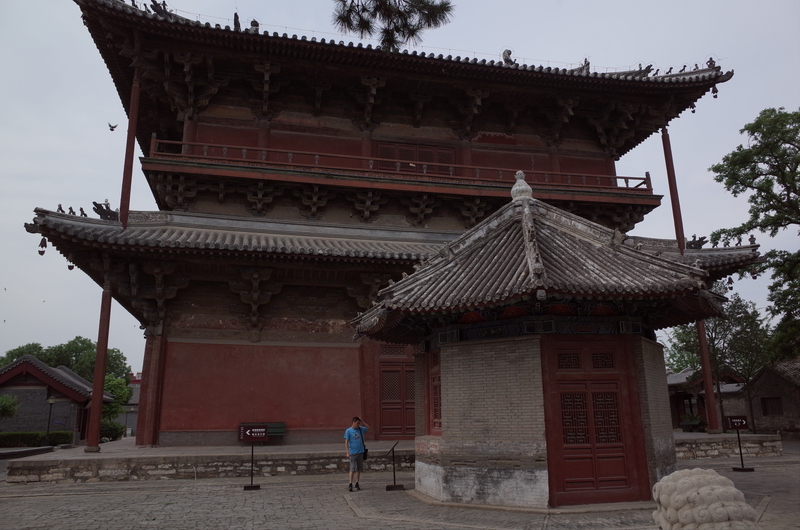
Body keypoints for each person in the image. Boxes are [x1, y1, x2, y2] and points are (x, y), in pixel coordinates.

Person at [344, 416, 369, 491]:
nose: (358, 425)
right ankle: (350, 483)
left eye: (359, 423)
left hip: (360, 452)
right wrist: (347, 452)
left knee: (359, 469)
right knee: (352, 468)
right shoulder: (348, 431)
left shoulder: (361, 429)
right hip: (353, 452)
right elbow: (346, 441)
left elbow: (369, 428)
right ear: (353, 422)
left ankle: (357, 483)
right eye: (357, 423)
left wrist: (363, 422)